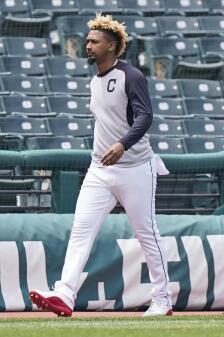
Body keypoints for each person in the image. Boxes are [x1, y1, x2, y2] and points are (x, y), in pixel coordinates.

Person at [29, 14, 173, 317]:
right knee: (81, 229)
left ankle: (162, 297)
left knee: (146, 232)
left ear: (112, 45)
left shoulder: (131, 76)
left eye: (94, 41)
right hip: (100, 169)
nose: (87, 45)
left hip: (135, 166)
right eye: (88, 40)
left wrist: (122, 145)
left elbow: (145, 117)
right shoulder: (95, 80)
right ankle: (65, 294)